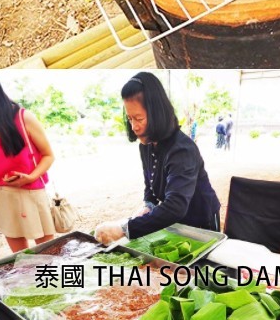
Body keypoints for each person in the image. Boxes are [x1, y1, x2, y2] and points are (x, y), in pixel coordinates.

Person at [94, 73, 221, 244]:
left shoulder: (182, 150)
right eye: (130, 118)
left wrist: (125, 229)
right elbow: (150, 186)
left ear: (157, 113)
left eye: (139, 118)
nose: (134, 126)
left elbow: (175, 207)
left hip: (201, 221)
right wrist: (148, 206)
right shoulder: (146, 145)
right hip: (175, 222)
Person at [0, 74, 56, 253]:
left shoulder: (23, 117)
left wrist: (31, 177)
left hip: (32, 192)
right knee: (22, 259)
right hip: (4, 196)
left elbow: (48, 155)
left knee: (48, 255)